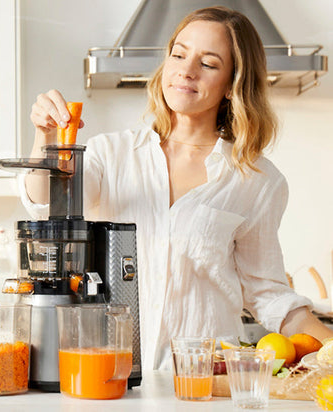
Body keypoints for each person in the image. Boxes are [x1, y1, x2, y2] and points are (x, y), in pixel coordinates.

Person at [23, 6, 333, 370]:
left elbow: (268, 293)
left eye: (209, 63)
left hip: (206, 381)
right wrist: (44, 137)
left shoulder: (256, 179)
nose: (187, 70)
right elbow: (44, 205)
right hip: (112, 376)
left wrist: (328, 345)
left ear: (233, 84)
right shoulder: (112, 154)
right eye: (179, 54)